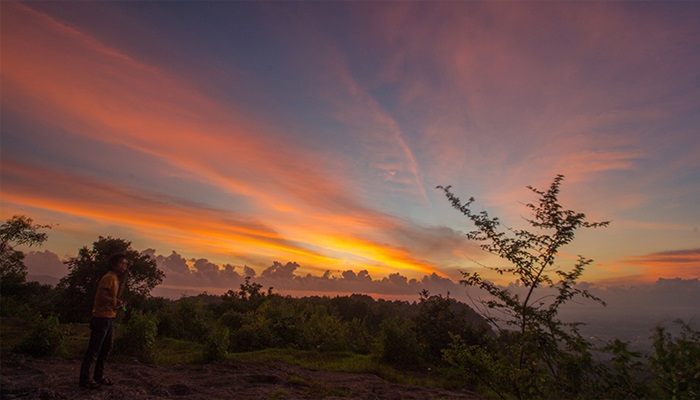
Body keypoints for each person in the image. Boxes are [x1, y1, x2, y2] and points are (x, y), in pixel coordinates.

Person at [79, 253, 127, 389]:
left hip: (109, 317)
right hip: (101, 317)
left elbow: (108, 296)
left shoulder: (114, 279)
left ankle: (98, 376)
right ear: (114, 265)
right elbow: (101, 295)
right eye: (121, 264)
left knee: (106, 347)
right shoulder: (108, 278)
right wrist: (114, 302)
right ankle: (85, 379)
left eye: (125, 264)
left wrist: (116, 302)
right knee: (94, 349)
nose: (124, 266)